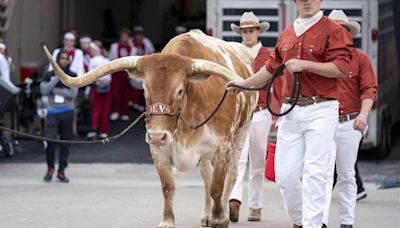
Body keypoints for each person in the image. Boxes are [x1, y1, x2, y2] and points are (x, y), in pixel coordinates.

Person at [226, 0, 353, 227]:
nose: (307, 1)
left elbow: (342, 69)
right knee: (285, 176)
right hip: (290, 109)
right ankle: (302, 220)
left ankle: (312, 224)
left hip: (322, 108)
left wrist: (306, 65)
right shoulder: (286, 34)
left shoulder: (333, 30)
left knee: (315, 172)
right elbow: (270, 69)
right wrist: (243, 84)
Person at [322, 10, 377, 228]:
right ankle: (320, 222)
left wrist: (363, 116)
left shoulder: (360, 58)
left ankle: (347, 223)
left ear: (348, 33)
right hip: (323, 122)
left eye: (341, 30)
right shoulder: (319, 59)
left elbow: (369, 89)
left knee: (346, 174)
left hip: (349, 122)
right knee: (323, 175)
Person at [228, 11, 272, 223]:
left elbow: (279, 84)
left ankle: (256, 206)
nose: (247, 35)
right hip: (240, 115)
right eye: (244, 31)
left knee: (257, 162)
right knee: (238, 158)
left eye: (251, 31)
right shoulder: (234, 53)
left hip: (262, 112)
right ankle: (234, 200)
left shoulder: (268, 55)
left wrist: (278, 114)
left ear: (257, 31)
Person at [41, 50, 78, 183]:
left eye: (66, 59)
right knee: (50, 141)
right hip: (52, 113)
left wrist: (55, 90)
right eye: (61, 58)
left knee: (65, 142)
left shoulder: (73, 75)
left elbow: (73, 94)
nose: (64, 61)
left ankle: (61, 170)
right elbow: (44, 90)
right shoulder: (49, 75)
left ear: (69, 61)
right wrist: (57, 77)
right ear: (56, 60)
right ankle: (50, 168)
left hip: (67, 112)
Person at [109, 28, 136, 121]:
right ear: (120, 37)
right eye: (123, 36)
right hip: (116, 72)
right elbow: (111, 59)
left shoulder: (133, 48)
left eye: (126, 37)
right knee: (115, 92)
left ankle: (125, 112)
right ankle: (115, 111)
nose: (124, 38)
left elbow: (133, 62)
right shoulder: (114, 46)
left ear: (128, 38)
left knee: (125, 93)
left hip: (126, 73)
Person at [86, 41, 112, 139]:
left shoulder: (92, 60)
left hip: (96, 88)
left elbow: (88, 77)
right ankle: (104, 131)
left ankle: (94, 129)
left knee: (96, 109)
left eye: (91, 49)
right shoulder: (107, 60)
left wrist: (87, 91)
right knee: (105, 109)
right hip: (107, 88)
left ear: (94, 50)